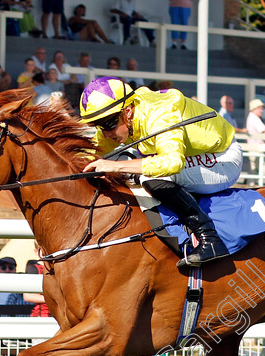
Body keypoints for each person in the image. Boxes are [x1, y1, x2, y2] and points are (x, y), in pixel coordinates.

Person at [80, 77, 242, 267]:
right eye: (98, 125)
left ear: (128, 112)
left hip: (221, 158)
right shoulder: (121, 118)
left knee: (149, 175)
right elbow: (89, 156)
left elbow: (172, 162)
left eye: (108, 124)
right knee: (135, 172)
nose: (105, 133)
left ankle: (209, 238)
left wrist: (114, 166)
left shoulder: (159, 113)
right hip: (195, 157)